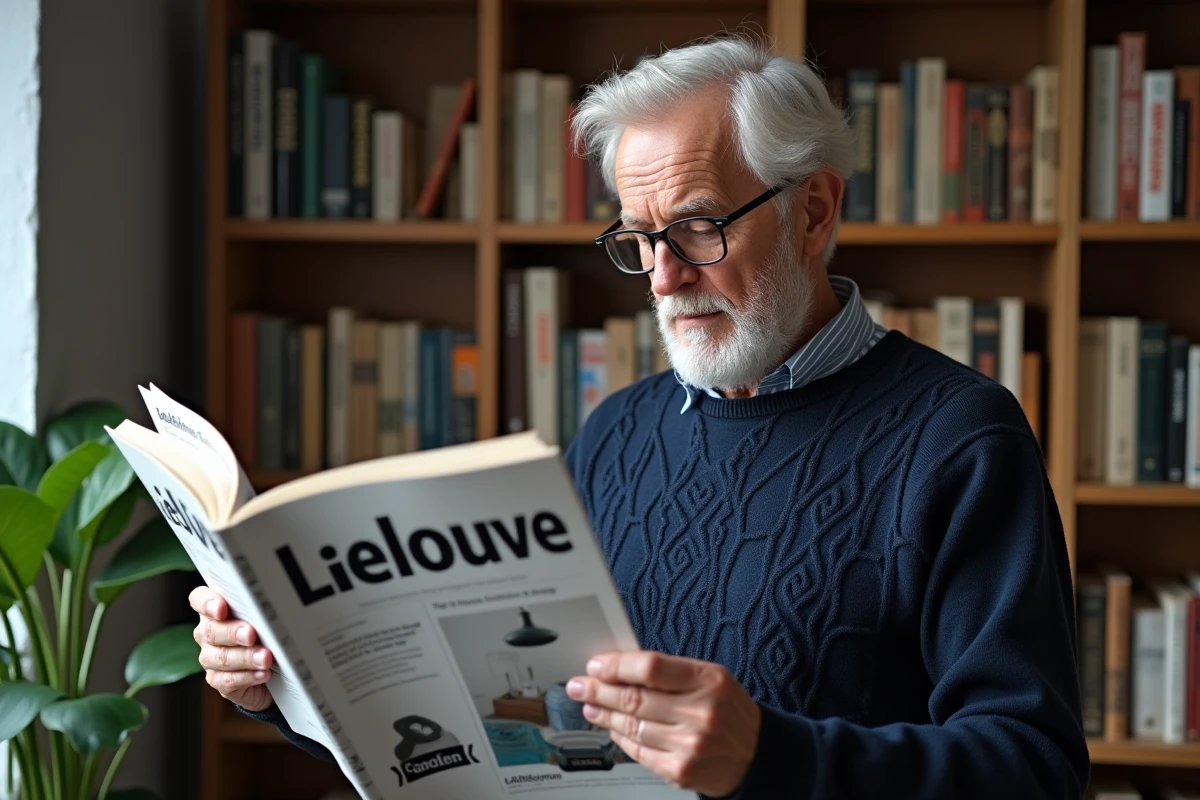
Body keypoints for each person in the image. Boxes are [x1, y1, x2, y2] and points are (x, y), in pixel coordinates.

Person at [190, 34, 1089, 799]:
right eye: (638, 239)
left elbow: (1035, 767)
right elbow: (492, 739)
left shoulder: (959, 439)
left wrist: (773, 756)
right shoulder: (616, 433)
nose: (662, 278)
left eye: (699, 229)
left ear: (813, 212)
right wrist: (285, 688)